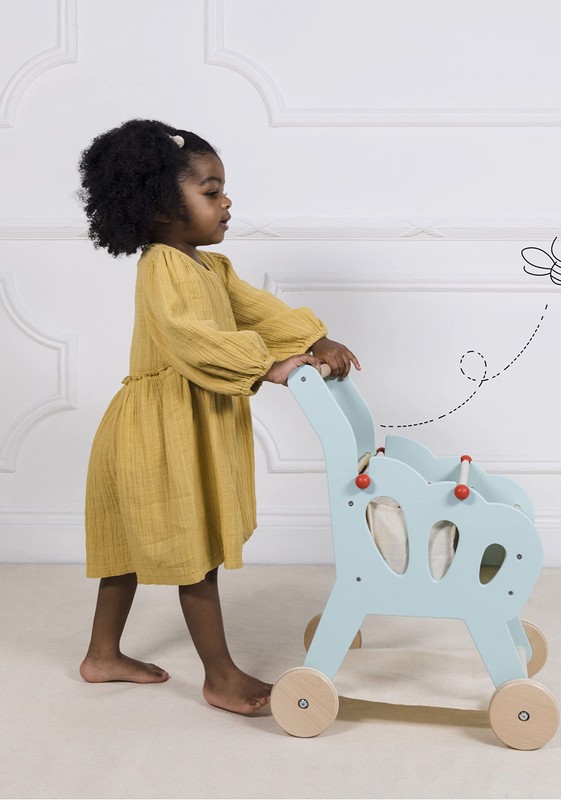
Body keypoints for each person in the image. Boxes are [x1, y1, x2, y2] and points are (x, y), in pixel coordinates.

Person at [77, 119, 359, 715]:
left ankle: (102, 656)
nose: (226, 202)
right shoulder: (162, 266)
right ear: (159, 207)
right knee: (196, 555)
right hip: (157, 432)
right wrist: (267, 366)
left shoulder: (209, 268)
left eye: (223, 190)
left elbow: (258, 310)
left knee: (128, 551)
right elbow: (190, 337)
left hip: (182, 422)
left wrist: (316, 338)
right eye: (211, 192)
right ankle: (220, 676)